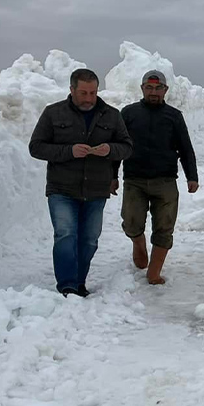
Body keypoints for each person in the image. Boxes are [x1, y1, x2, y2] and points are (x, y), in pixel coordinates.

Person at [29, 68, 133, 297]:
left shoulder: (112, 115)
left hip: (96, 189)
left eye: (93, 93)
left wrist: (109, 150)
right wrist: (69, 151)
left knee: (89, 239)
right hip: (61, 188)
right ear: (72, 90)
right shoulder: (53, 113)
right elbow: (36, 147)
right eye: (83, 93)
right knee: (65, 234)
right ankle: (67, 286)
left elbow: (127, 147)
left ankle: (79, 281)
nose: (89, 98)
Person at [111, 70, 199, 285]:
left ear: (165, 90)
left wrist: (192, 176)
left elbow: (185, 148)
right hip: (134, 180)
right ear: (142, 88)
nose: (153, 92)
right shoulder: (128, 113)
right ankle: (138, 245)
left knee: (164, 227)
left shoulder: (174, 116)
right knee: (131, 223)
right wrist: (112, 175)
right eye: (149, 87)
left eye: (158, 88)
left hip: (165, 181)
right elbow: (118, 147)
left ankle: (154, 272)